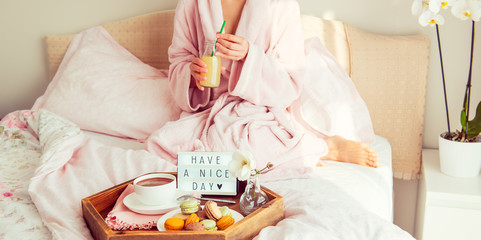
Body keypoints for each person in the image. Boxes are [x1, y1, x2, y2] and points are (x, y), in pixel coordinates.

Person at [146, 0, 378, 179]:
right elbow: (179, 58)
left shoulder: (279, 5)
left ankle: (326, 148)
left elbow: (290, 80)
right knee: (161, 145)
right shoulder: (193, 4)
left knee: (245, 150)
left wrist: (250, 56)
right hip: (209, 108)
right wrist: (191, 73)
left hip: (259, 108)